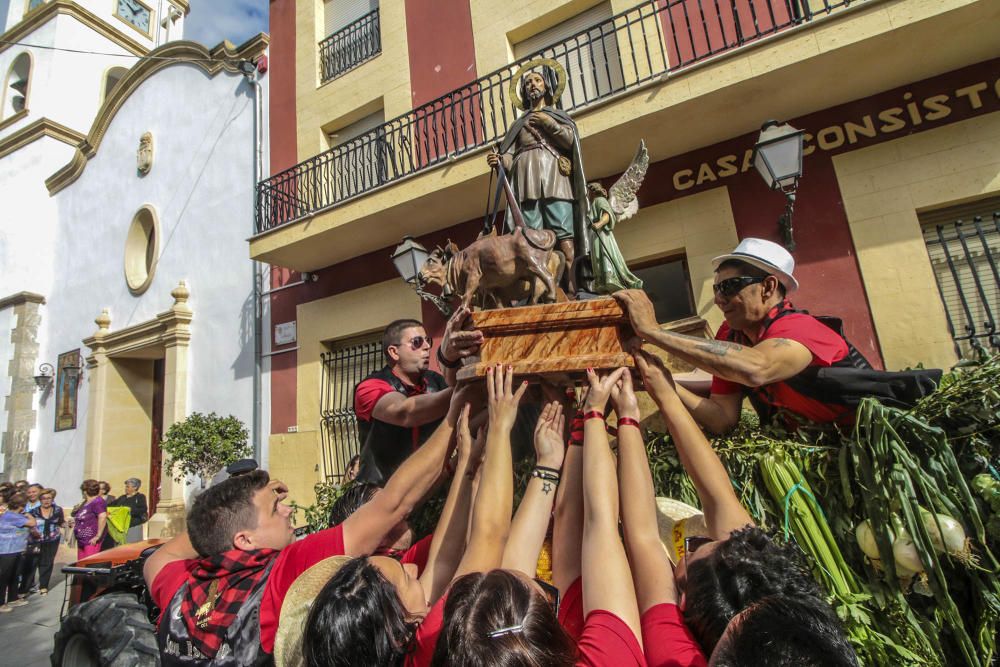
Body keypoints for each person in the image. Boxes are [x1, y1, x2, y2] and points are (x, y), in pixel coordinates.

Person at [143, 381, 477, 665]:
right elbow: (393, 504)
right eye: (275, 509)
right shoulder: (280, 576)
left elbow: (162, 556)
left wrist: (224, 506)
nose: (287, 509)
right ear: (245, 540)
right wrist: (453, 417)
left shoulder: (180, 586)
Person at [631, 347, 855, 656]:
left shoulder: (673, 645)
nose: (694, 544)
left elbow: (639, 532)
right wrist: (665, 394)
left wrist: (621, 419)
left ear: (683, 598)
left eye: (695, 546)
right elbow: (717, 493)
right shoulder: (752, 587)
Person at [615, 237, 856, 433]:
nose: (719, 300)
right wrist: (661, 380)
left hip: (857, 450)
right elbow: (722, 419)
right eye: (716, 289)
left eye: (729, 287)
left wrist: (653, 331)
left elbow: (757, 368)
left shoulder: (802, 328)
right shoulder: (732, 336)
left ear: (768, 287)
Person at [487, 61, 589, 296]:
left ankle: (576, 288)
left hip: (555, 180)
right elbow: (509, 157)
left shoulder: (557, 117)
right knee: (531, 241)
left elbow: (571, 142)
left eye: (537, 80)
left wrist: (548, 123)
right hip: (526, 183)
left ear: (547, 86)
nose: (532, 85)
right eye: (527, 83)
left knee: (565, 238)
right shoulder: (518, 125)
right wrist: (500, 161)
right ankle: (539, 292)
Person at [353, 307, 482, 486]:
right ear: (394, 352)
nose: (427, 346)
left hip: (428, 490)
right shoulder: (370, 386)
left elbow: (464, 409)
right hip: (379, 493)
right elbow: (405, 412)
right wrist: (471, 386)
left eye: (427, 341)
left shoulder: (435, 382)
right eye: (417, 342)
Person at [587, 182, 643, 294]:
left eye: (591, 191)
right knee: (599, 257)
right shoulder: (595, 202)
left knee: (604, 255)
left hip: (602, 233)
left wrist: (598, 224)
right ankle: (604, 281)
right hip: (596, 234)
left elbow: (607, 215)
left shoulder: (600, 200)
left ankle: (610, 279)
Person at [0, 492, 37, 612]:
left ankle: (12, 598)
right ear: (21, 505)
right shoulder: (11, 515)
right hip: (7, 550)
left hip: (17, 549)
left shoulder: (16, 515)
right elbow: (32, 523)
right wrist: (28, 514)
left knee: (14, 575)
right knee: (4, 577)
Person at [26, 489, 63, 595]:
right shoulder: (34, 511)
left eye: (49, 498)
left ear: (52, 499)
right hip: (36, 540)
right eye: (43, 499)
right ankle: (26, 588)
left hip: (52, 539)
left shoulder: (57, 510)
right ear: (40, 500)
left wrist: (68, 524)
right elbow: (29, 525)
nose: (46, 501)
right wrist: (33, 531)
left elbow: (60, 522)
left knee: (47, 562)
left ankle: (44, 586)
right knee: (32, 563)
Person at [103, 478, 148, 548]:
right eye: (126, 486)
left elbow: (143, 509)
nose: (126, 488)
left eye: (127, 486)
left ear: (135, 487)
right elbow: (111, 505)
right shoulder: (122, 498)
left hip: (133, 526)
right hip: (121, 527)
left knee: (132, 547)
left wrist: (128, 510)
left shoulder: (140, 497)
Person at [71, 479, 107, 559]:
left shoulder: (97, 501)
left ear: (84, 491)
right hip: (82, 540)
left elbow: (103, 516)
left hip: (91, 540)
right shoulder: (86, 502)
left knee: (88, 564)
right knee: (81, 565)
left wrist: (98, 536)